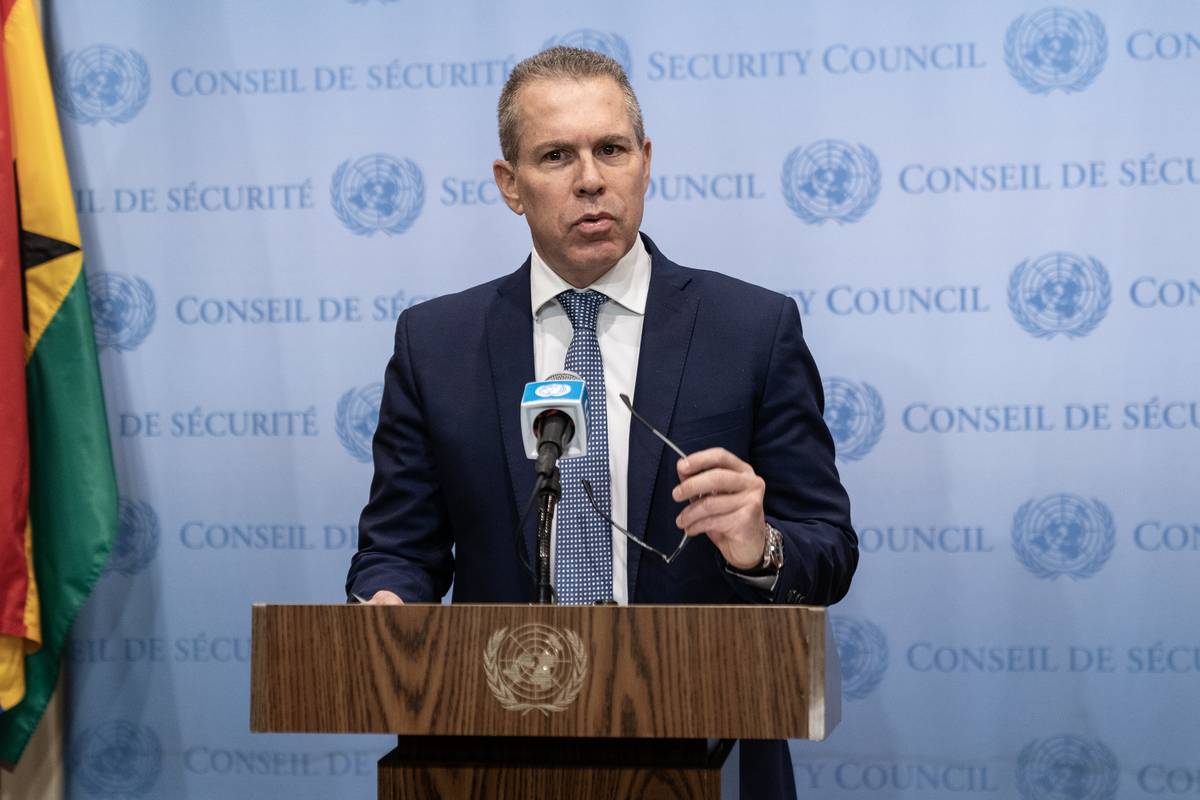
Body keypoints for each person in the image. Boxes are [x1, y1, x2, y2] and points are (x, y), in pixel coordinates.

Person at [346, 46, 857, 799]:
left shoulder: (750, 328)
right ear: (509, 185)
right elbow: (398, 548)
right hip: (491, 755)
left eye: (611, 149)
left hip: (699, 746)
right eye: (556, 155)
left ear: (645, 163)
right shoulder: (438, 343)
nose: (591, 179)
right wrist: (387, 610)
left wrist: (758, 547)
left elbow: (829, 549)